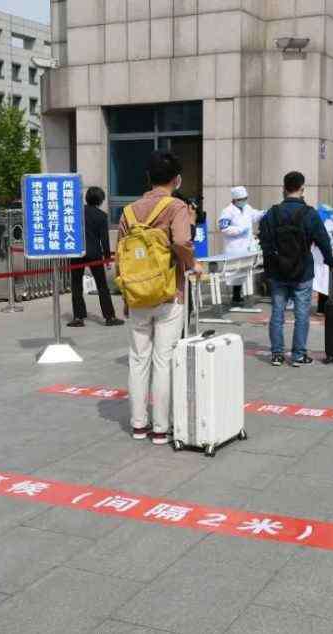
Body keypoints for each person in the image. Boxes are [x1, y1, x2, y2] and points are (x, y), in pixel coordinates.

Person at [120, 150, 197, 445]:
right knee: (163, 361)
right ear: (176, 179)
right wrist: (193, 264)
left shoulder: (128, 211)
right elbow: (181, 241)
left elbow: (121, 258)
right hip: (168, 293)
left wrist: (126, 297)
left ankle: (139, 425)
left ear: (147, 178)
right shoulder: (176, 207)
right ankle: (161, 429)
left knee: (138, 360)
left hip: (137, 295)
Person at [258, 171, 333, 367]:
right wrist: (330, 260)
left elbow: (264, 243)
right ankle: (298, 354)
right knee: (301, 314)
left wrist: (268, 270)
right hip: (303, 271)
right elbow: (323, 240)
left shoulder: (272, 213)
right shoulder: (310, 214)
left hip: (277, 271)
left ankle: (276, 354)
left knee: (277, 313)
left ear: (283, 189)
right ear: (302, 189)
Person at [68, 186, 123, 328]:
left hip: (77, 252)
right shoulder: (101, 216)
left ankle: (78, 317)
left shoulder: (76, 213)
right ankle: (109, 317)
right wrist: (106, 258)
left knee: (76, 285)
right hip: (94, 254)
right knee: (102, 286)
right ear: (100, 200)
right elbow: (104, 239)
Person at [218, 186, 265, 306]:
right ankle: (236, 296)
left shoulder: (247, 208)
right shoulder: (227, 211)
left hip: (246, 246)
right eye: (242, 199)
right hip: (234, 246)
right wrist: (239, 230)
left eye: (245, 198)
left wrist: (265, 213)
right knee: (235, 272)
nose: (244, 200)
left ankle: (241, 295)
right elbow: (224, 228)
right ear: (235, 199)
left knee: (244, 271)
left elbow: (255, 215)